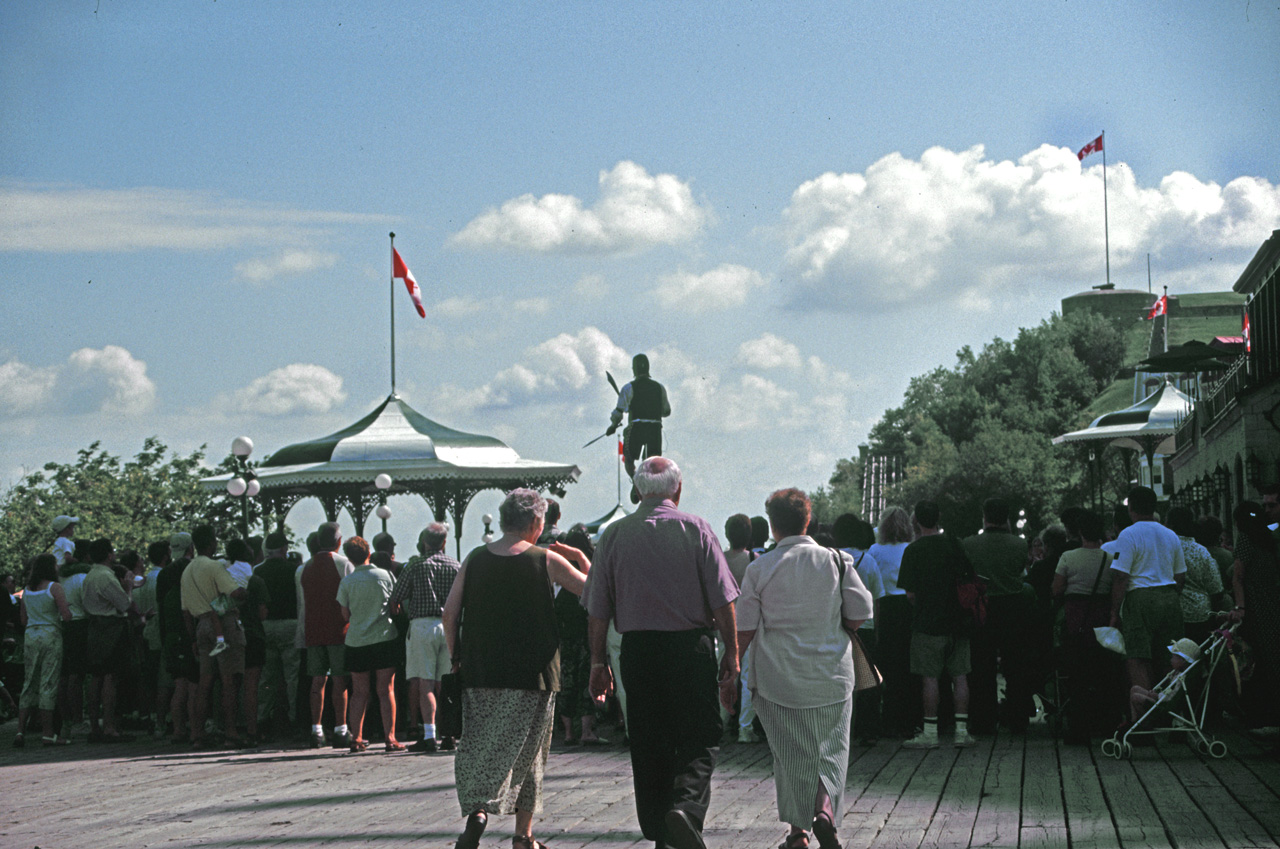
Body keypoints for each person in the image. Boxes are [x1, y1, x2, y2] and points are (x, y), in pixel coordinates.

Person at [586, 457, 740, 849]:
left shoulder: (613, 535)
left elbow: (598, 609)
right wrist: (732, 654)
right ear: (678, 489)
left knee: (648, 736)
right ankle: (685, 809)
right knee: (700, 734)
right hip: (689, 647)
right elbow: (723, 601)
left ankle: (658, 826)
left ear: (637, 491)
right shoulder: (697, 529)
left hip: (638, 650)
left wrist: (598, 662)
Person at [442, 488, 588, 849]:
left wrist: (456, 655)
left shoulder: (475, 559)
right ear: (537, 523)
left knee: (477, 744)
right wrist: (583, 558)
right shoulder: (544, 560)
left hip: (480, 670)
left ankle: (478, 812)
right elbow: (593, 592)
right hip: (533, 674)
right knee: (529, 754)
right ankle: (523, 835)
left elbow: (450, 613)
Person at [736, 489, 873, 849]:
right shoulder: (836, 560)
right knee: (831, 749)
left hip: (777, 677)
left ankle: (798, 833)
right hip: (831, 673)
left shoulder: (759, 568)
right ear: (807, 520)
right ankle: (825, 813)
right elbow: (860, 613)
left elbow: (745, 628)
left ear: (771, 525)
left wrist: (728, 669)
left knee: (790, 754)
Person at [898, 501, 975, 749]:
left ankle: (930, 733)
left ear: (916, 521)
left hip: (928, 623)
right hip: (958, 622)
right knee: (960, 676)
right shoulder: (955, 544)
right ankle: (961, 731)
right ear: (938, 517)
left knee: (929, 678)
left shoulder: (913, 550)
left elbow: (910, 594)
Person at [1052, 510, 1123, 742]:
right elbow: (1116, 588)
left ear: (1080, 531)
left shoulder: (1068, 557)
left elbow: (1057, 589)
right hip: (1102, 616)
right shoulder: (1110, 558)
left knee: (1077, 674)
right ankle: (1106, 724)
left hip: (1076, 618)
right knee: (1104, 672)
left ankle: (1078, 728)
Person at [962, 499, 1032, 734]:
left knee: (982, 665)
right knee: (1015, 665)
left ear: (985, 516)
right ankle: (1017, 717)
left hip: (982, 606)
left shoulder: (970, 544)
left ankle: (983, 719)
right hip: (1013, 607)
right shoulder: (1019, 544)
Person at [1108, 486, 1186, 695]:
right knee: (1170, 657)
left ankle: (1144, 713)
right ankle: (1169, 708)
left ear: (1131, 508)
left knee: (1137, 657)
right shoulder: (1171, 535)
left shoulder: (1128, 534)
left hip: (1140, 597)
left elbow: (1120, 576)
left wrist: (1115, 612)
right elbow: (1180, 576)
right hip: (1169, 597)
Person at [391, 522, 461, 753]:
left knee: (425, 683)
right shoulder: (455, 565)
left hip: (422, 625)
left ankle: (429, 734)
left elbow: (396, 597)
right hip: (448, 626)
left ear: (423, 542)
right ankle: (448, 733)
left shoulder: (415, 565)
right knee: (445, 684)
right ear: (444, 542)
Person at [180, 524, 249, 748]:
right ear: (212, 543)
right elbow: (236, 592)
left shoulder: (187, 571)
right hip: (222, 624)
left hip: (200, 626)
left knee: (205, 682)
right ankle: (231, 732)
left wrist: (192, 638)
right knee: (229, 681)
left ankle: (197, 735)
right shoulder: (214, 567)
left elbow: (185, 611)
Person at [337, 535, 403, 753]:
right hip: (384, 637)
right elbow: (395, 606)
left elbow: (345, 614)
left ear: (349, 557)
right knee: (386, 690)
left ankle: (356, 738)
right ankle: (390, 738)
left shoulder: (346, 582)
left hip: (357, 641)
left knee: (359, 692)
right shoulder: (385, 575)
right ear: (368, 553)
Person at [1227, 501, 1280, 740]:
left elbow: (1238, 576)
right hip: (1272, 602)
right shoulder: (1270, 539)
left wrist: (1240, 607)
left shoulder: (1246, 540)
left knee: (1261, 660)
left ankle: (1265, 715)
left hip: (1257, 606)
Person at [299, 522, 354, 749]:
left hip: (313, 630)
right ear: (339, 541)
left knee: (317, 680)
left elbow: (302, 603)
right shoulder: (344, 564)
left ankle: (316, 729)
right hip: (339, 630)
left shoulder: (304, 567)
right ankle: (341, 728)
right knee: (339, 680)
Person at [551, 525, 604, 746]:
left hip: (564, 637)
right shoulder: (588, 567)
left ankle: (569, 732)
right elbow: (596, 592)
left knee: (566, 683)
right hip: (586, 636)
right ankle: (587, 731)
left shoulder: (560, 572)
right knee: (586, 683)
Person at [867, 505, 917, 737]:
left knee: (885, 665)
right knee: (907, 666)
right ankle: (908, 719)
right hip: (907, 608)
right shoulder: (912, 548)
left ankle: (887, 718)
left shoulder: (875, 550)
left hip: (884, 608)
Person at [14, 554, 73, 747]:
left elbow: (23, 620)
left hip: (31, 636)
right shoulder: (54, 588)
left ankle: (20, 730)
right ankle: (48, 733)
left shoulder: (26, 592)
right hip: (50, 635)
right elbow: (66, 616)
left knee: (29, 682)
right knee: (48, 682)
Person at [82, 538, 137, 742]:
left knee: (96, 677)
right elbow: (124, 604)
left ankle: (95, 725)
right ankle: (110, 727)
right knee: (110, 677)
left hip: (94, 626)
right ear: (109, 555)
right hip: (111, 627)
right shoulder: (106, 576)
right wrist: (128, 587)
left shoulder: (89, 576)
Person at [255, 530, 301, 738]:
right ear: (284, 549)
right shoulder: (294, 570)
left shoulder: (257, 571)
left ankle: (263, 718)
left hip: (266, 626)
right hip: (290, 624)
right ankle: (294, 717)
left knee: (267, 676)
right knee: (292, 675)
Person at [606, 354, 672, 479]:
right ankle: (648, 484)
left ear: (634, 369)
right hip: (655, 430)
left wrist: (613, 426)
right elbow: (667, 411)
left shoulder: (628, 388)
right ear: (648, 368)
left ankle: (635, 480)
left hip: (637, 428)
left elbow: (618, 412)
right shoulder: (660, 388)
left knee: (629, 459)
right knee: (653, 462)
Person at [1165, 507, 1224, 645]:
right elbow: (1216, 588)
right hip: (1200, 615)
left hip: (1172, 613)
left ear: (1171, 525)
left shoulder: (1164, 549)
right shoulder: (1200, 551)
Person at [723, 513, 758, 743]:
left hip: (724, 621)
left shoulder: (720, 558)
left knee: (725, 672)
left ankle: (722, 721)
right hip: (748, 622)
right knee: (747, 676)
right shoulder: (753, 560)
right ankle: (745, 728)